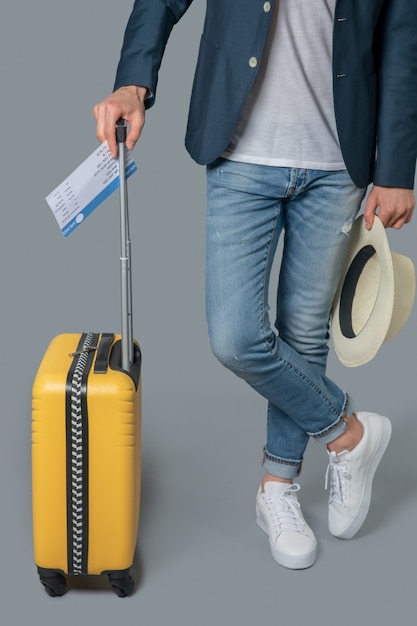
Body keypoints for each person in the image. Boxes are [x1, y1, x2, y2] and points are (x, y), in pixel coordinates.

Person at [93, 0, 416, 569]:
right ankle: (349, 432)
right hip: (242, 148)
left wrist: (395, 169)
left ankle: (278, 487)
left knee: (304, 333)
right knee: (236, 336)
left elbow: (401, 36)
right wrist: (132, 83)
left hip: (338, 158)